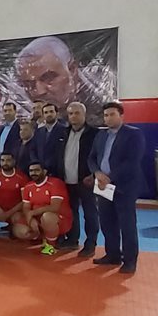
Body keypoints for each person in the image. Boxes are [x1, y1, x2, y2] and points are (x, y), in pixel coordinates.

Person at [87, 101, 146, 273]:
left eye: (112, 114)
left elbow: (132, 161)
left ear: (121, 116)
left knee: (127, 224)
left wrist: (110, 177)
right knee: (107, 222)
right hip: (103, 186)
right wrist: (97, 173)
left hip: (124, 187)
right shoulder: (101, 135)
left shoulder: (133, 134)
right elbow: (91, 158)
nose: (108, 118)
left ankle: (130, 261)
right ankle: (112, 255)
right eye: (106, 115)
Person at [15, 36, 105, 123]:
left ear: (72, 70)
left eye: (48, 78)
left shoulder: (101, 115)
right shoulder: (29, 124)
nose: (40, 92)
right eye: (28, 84)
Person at [55, 102, 99, 255]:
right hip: (66, 179)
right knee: (71, 212)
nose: (73, 116)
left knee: (90, 213)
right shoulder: (63, 133)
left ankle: (91, 243)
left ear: (84, 114)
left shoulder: (94, 134)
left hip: (86, 180)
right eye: (71, 113)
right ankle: (72, 240)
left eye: (77, 113)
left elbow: (98, 156)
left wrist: (94, 174)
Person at [21, 161, 72, 256]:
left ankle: (51, 245)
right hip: (38, 219)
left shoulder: (56, 183)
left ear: (44, 171)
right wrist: (30, 220)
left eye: (37, 170)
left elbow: (54, 207)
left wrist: (32, 213)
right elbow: (26, 207)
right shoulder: (28, 186)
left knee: (47, 217)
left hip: (59, 219)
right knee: (19, 231)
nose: (33, 173)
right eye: (31, 171)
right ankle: (42, 237)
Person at [0, 152, 29, 239]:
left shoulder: (22, 177)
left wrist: (8, 213)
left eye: (8, 160)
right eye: (2, 160)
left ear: (14, 161)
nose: (5, 163)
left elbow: (24, 200)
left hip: (13, 211)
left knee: (19, 219)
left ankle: (13, 230)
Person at [33, 103, 67, 176]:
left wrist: (47, 168)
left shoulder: (64, 130)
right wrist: (37, 165)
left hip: (57, 172)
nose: (49, 114)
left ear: (57, 113)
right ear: (43, 115)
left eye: (51, 111)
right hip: (40, 172)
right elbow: (34, 149)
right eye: (46, 112)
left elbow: (61, 153)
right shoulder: (39, 131)